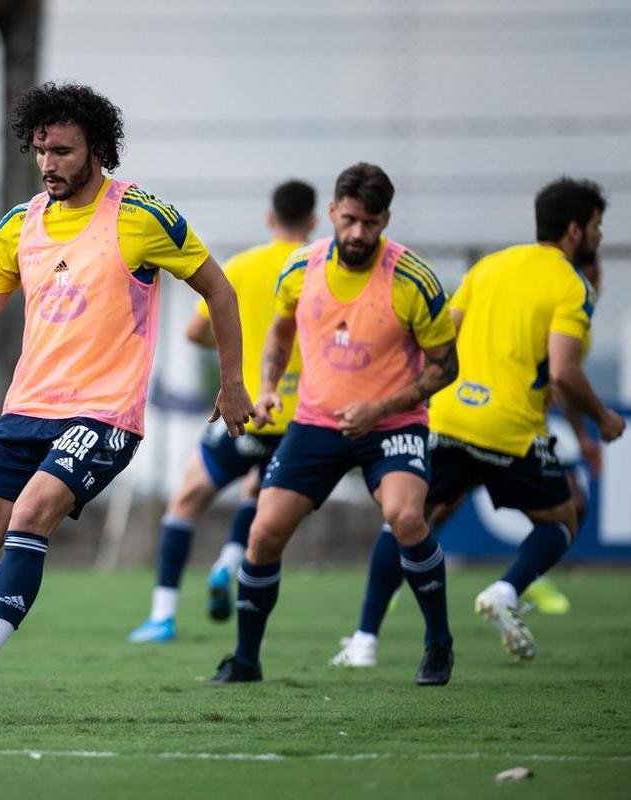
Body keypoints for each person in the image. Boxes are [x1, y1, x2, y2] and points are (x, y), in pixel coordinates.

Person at [0, 83, 254, 723]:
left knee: (34, 509)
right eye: (40, 150)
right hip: (27, 409)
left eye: (63, 151)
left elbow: (221, 290)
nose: (48, 163)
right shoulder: (19, 225)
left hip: (103, 413)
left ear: (97, 149)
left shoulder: (141, 218)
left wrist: (233, 381)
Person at [332, 180, 623, 666]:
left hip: (448, 415)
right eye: (595, 225)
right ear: (575, 231)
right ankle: (507, 592)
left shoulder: (490, 265)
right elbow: (567, 371)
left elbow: (444, 333)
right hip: (509, 428)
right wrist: (602, 418)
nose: (597, 234)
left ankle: (364, 640)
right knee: (564, 518)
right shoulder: (573, 285)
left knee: (409, 521)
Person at [208, 162, 460, 687]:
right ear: (331, 213)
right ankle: (246, 660)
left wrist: (381, 408)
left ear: (385, 218)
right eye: (349, 220)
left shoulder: (413, 279)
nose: (358, 233)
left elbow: (446, 366)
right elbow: (279, 335)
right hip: (316, 423)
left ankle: (438, 643)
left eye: (370, 223)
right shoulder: (300, 269)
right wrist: (271, 386)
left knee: (406, 517)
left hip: (392, 425)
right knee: (263, 533)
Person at [128, 180, 315, 643]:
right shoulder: (319, 268)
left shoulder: (242, 266)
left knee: (187, 500)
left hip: (245, 408)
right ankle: (226, 565)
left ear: (271, 219)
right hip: (300, 420)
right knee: (260, 499)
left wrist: (238, 343)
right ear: (314, 221)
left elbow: (195, 331)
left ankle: (162, 616)